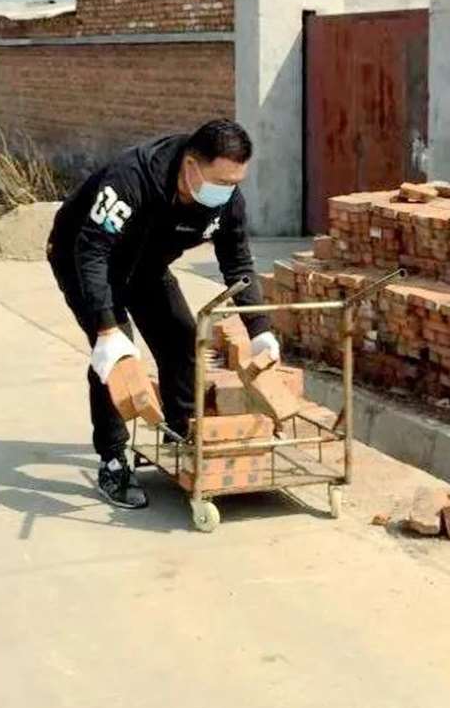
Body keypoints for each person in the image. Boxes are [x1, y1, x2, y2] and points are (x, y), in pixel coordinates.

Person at [47, 119, 279, 510]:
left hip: (146, 266)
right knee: (118, 358)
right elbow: (92, 251)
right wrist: (106, 329)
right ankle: (112, 460)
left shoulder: (226, 201)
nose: (227, 191)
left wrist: (260, 329)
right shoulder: (131, 178)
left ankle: (181, 434)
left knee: (182, 339)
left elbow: (238, 262)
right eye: (220, 182)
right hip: (82, 259)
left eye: (235, 182)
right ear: (190, 166)